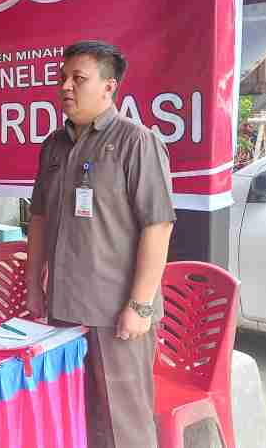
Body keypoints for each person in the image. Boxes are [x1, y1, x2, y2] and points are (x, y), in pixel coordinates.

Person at [25, 41, 175, 448]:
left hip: (115, 314)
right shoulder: (53, 146)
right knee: (73, 414)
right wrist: (33, 286)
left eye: (79, 78)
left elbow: (158, 226)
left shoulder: (136, 142)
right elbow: (38, 219)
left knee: (123, 426)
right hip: (62, 309)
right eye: (62, 78)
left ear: (109, 87)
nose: (65, 87)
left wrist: (140, 306)